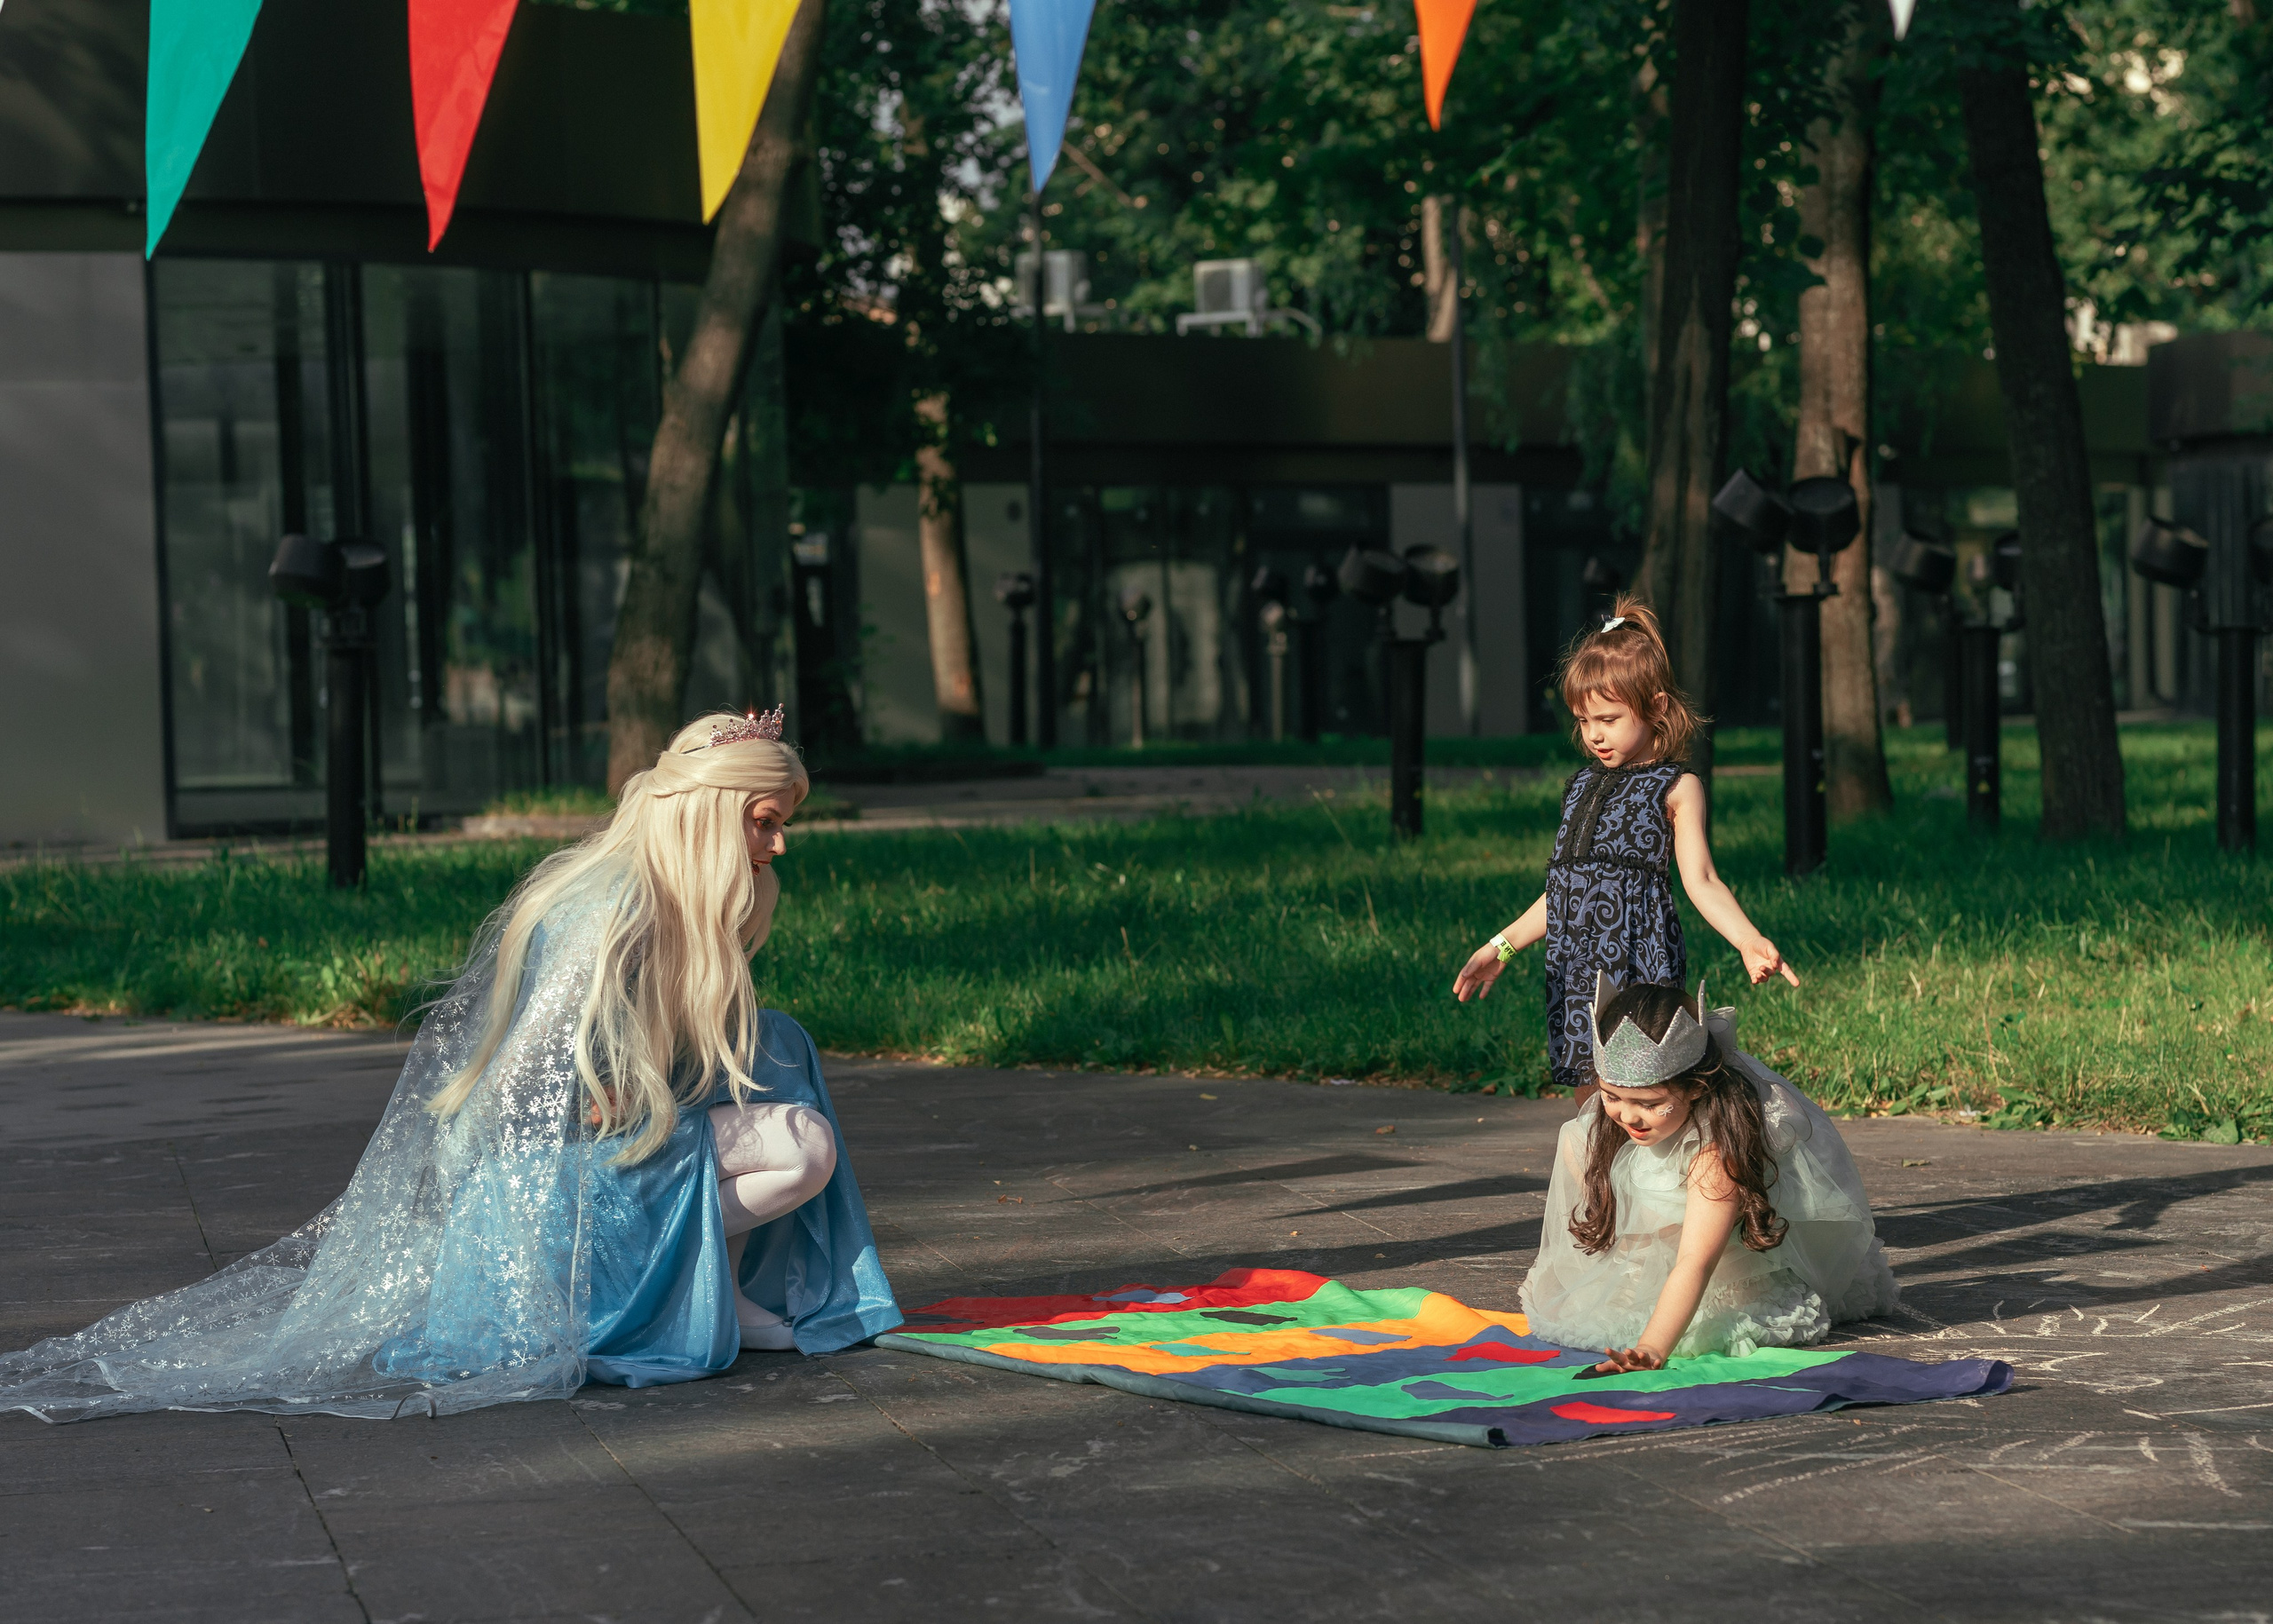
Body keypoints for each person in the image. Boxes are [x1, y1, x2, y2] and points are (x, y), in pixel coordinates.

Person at [0, 708, 900, 1423]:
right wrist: (599, 1090)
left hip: (610, 1153)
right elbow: (524, 1084)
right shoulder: (615, 906)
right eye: (765, 823)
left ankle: (706, 1288)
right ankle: (650, 1287)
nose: (777, 845)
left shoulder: (656, 897)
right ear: (709, 814)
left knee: (774, 1042)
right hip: (558, 1190)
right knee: (802, 1143)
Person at [1452, 597, 1797, 1098]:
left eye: (1608, 719)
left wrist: (1747, 939)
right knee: (1593, 1098)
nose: (1593, 735)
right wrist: (1501, 945)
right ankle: (1601, 1179)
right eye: (1583, 721)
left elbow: (1701, 880)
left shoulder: (1675, 787)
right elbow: (1567, 889)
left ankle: (1664, 1174)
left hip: (1638, 961)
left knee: (1646, 1090)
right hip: (1576, 969)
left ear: (1656, 706)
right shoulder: (1580, 787)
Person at [1520, 978, 1897, 1369]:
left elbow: (1695, 1261)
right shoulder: (1598, 1133)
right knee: (1580, 1140)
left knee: (1706, 1324)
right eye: (1612, 1096)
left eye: (1649, 1103)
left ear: (1697, 1088)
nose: (1628, 1116)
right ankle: (1645, 1278)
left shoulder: (1715, 1155)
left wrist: (1651, 1348)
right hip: (1666, 1253)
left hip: (1719, 1260)